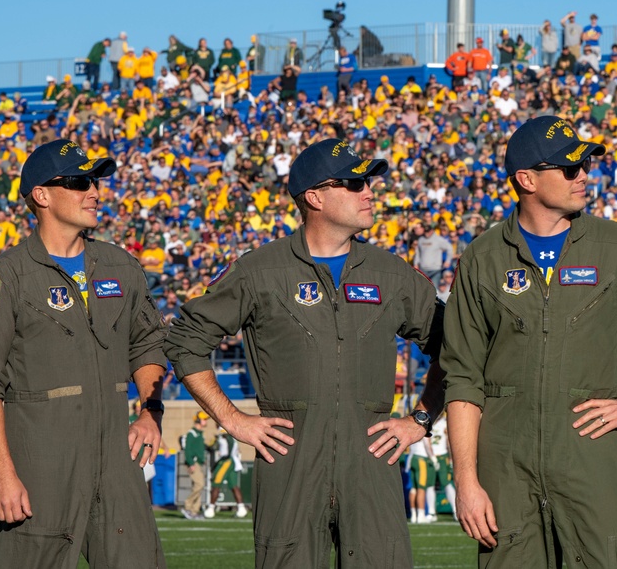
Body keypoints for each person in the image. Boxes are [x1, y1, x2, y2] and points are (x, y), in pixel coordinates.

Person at [442, 115, 617, 567]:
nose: (584, 176)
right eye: (570, 169)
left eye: (585, 165)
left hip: (592, 452)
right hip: (506, 465)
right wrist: (467, 482)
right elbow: (463, 378)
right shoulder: (483, 258)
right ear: (526, 179)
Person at [161, 138, 446, 568]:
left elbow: (458, 348)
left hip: (372, 462)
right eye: (353, 183)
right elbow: (185, 339)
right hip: (289, 463)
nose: (369, 190)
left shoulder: (394, 275)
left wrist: (420, 420)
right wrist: (232, 419)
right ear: (314, 196)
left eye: (368, 181)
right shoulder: (261, 270)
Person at [0, 138, 167, 567]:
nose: (93, 191)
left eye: (94, 181)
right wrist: (3, 474)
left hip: (118, 465)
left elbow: (148, 343)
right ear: (41, 195)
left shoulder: (121, 267)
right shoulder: (4, 279)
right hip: (40, 470)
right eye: (77, 182)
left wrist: (151, 413)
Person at [203, 424, 248, 519]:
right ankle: (241, 508)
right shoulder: (230, 430)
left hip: (226, 461)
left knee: (216, 484)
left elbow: (228, 440)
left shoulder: (224, 430)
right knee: (234, 486)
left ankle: (211, 508)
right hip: (233, 460)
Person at [181, 411, 209, 520]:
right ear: (198, 420)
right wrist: (191, 463)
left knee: (198, 486)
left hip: (198, 463)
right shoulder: (191, 433)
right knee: (200, 484)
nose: (206, 421)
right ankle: (188, 505)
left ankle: (194, 511)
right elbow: (187, 450)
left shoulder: (200, 433)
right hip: (193, 463)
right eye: (204, 419)